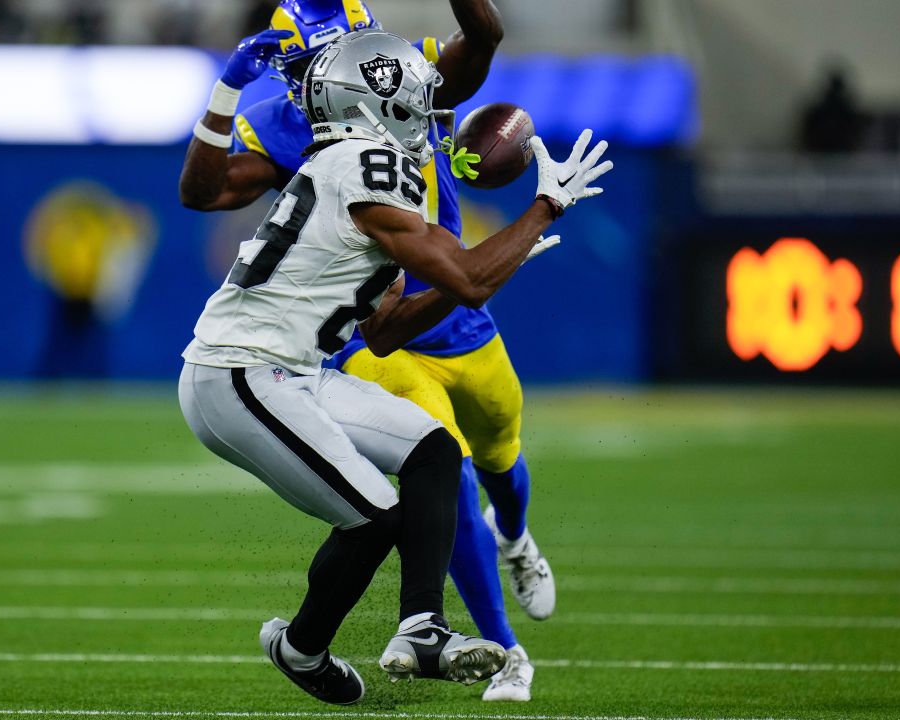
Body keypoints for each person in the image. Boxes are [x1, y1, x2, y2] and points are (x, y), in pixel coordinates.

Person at [179, 28, 610, 706]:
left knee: (434, 451)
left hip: (297, 370)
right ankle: (301, 647)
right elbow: (467, 280)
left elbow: (385, 331)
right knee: (375, 516)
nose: (424, 100)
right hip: (242, 371)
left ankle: (422, 627)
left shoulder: (349, 162)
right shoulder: (369, 166)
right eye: (413, 92)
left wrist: (500, 258)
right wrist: (543, 207)